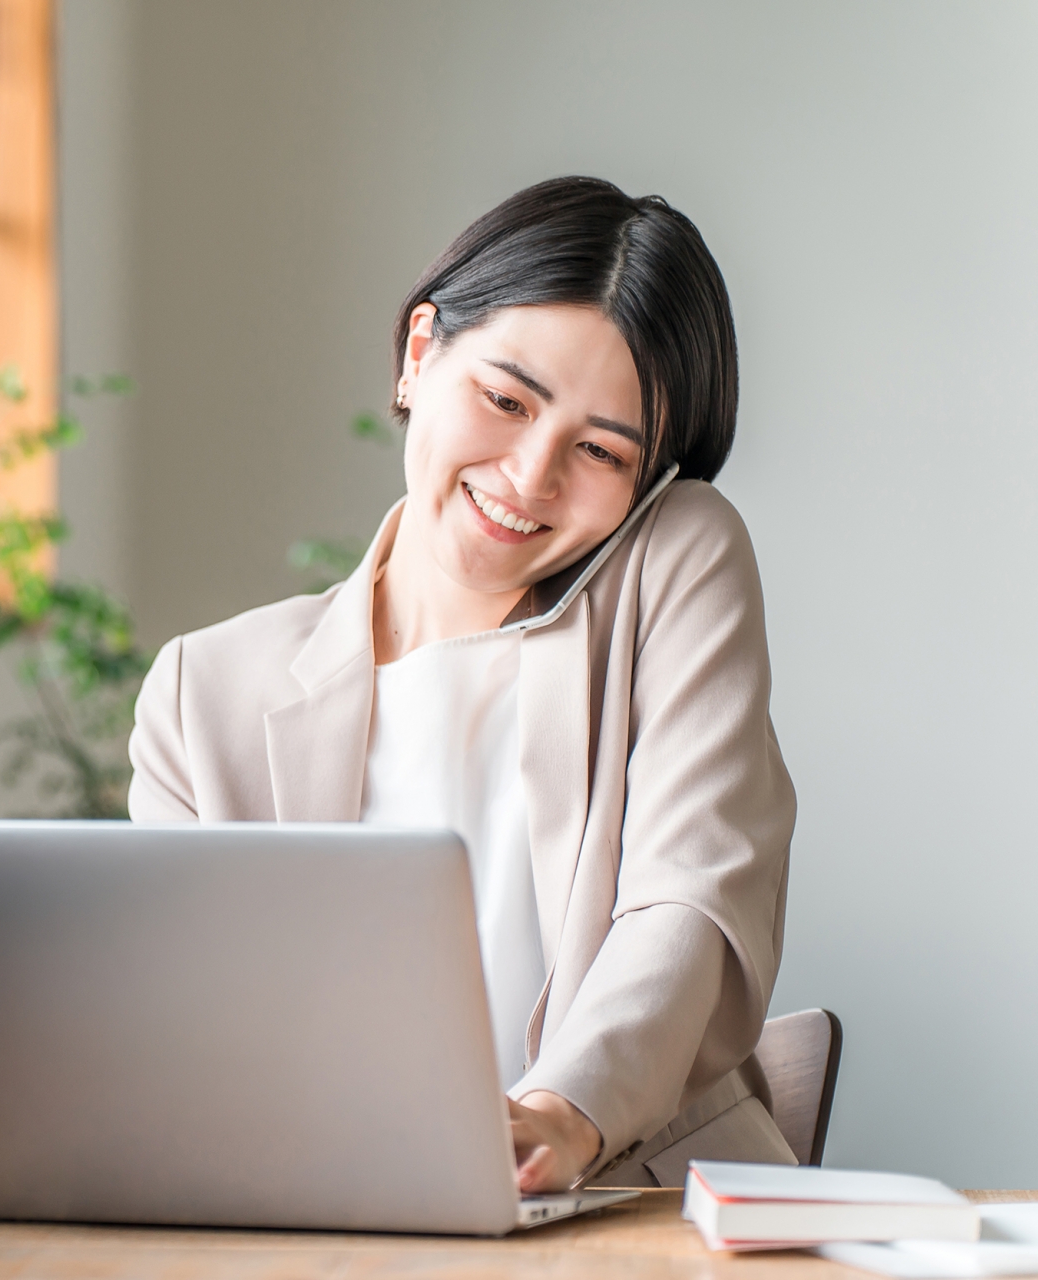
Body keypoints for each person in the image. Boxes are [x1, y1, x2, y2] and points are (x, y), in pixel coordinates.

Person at [127, 176, 796, 1192]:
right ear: (418, 354)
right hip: (325, 1216)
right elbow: (191, 1028)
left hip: (632, 1201)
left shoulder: (678, 561)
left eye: (601, 450)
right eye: (505, 398)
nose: (531, 475)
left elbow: (690, 894)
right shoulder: (206, 690)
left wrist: (564, 1116)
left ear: (650, 477)